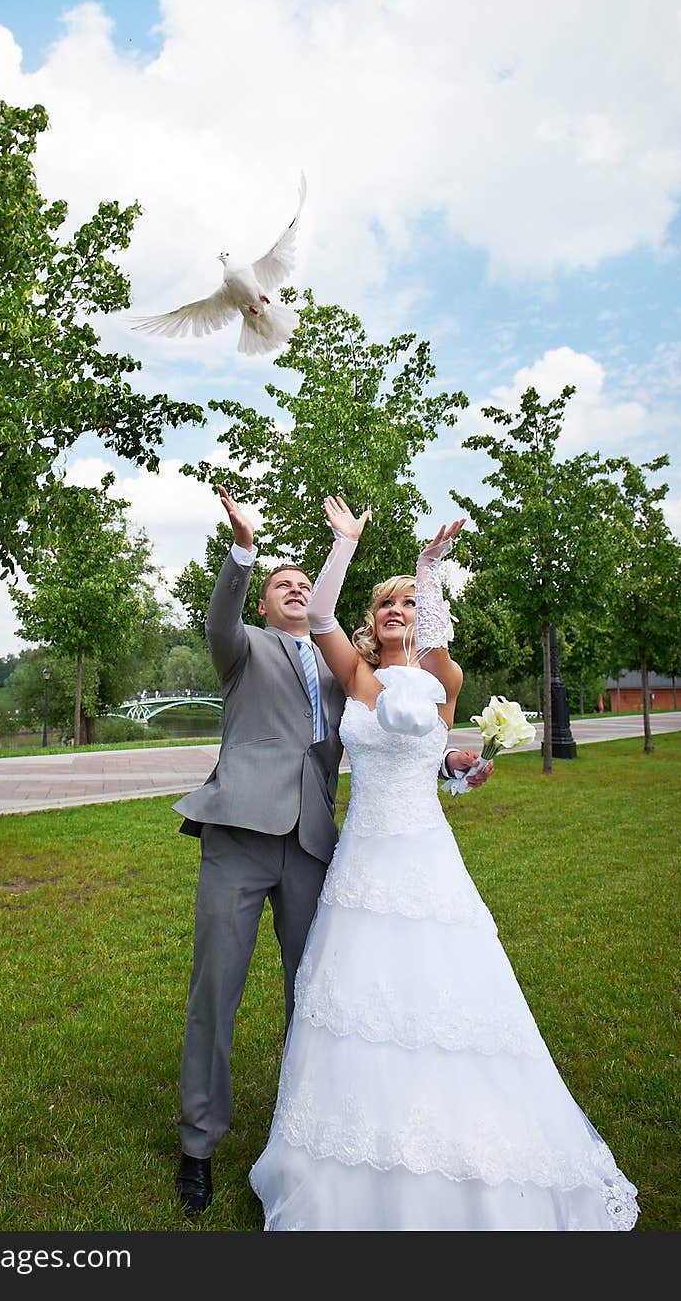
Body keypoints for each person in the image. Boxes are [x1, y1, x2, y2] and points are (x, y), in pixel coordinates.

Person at [249, 495, 639, 1231]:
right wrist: (344, 545)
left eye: (408, 602)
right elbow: (323, 614)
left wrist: (458, 767)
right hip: (364, 861)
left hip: (426, 857)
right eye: (387, 601)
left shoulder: (442, 681)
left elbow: (429, 739)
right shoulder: (359, 678)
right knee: (360, 1004)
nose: (396, 610)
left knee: (447, 1000)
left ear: (423, 617)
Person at [171, 485, 492, 1216]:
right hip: (241, 838)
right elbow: (227, 614)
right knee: (215, 990)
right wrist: (243, 552)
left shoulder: (348, 669)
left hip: (318, 845)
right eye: (280, 584)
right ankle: (198, 1145)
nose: (293, 589)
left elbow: (415, 726)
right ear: (264, 603)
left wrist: (449, 764)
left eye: (299, 581)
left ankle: (306, 1137)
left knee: (317, 998)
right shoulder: (241, 647)